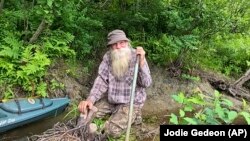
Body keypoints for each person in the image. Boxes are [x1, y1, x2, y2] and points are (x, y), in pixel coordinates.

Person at [78, 29, 152, 138]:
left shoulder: (137, 56)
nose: (118, 46)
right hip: (111, 100)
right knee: (85, 117)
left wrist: (141, 63)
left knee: (111, 132)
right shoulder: (108, 57)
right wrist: (90, 100)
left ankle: (134, 117)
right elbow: (102, 80)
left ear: (127, 43)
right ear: (110, 46)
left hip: (131, 102)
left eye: (121, 43)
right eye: (114, 44)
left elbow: (146, 83)